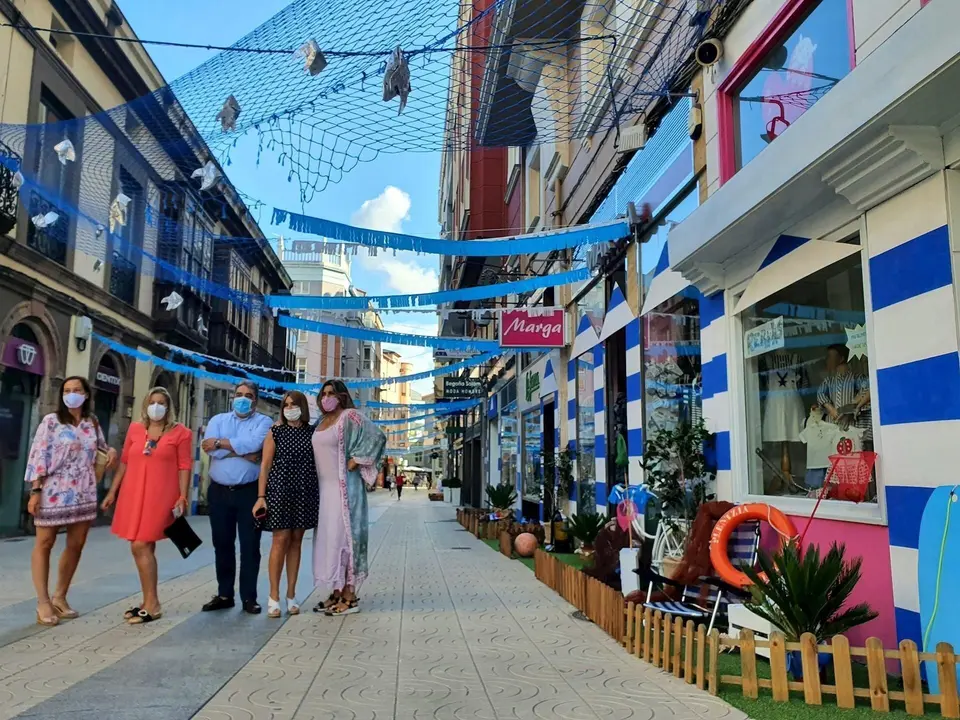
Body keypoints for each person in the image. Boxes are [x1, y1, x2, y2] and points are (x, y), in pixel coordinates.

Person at [24, 376, 118, 626]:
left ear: (86, 394)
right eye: (67, 390)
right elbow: (38, 455)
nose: (71, 394)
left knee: (76, 544)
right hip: (53, 488)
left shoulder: (92, 422)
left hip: (84, 490)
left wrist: (110, 452)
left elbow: (100, 448)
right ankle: (43, 602)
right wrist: (35, 490)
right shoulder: (51, 422)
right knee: (45, 542)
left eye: (77, 389)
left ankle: (60, 597)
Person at [101, 387, 191, 624]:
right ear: (145, 404)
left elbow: (184, 465)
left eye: (162, 402)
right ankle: (147, 600)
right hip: (133, 492)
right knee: (142, 547)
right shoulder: (135, 429)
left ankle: (153, 603)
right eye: (153, 402)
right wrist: (112, 492)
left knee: (140, 545)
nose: (157, 407)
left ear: (169, 407)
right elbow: (124, 462)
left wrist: (183, 495)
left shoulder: (181, 432)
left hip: (161, 495)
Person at [311, 380, 386, 616]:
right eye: (323, 393)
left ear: (342, 396)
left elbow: (377, 436)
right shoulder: (321, 422)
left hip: (345, 490)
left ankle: (350, 595)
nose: (327, 397)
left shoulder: (350, 416)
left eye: (332, 393)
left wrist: (358, 458)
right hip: (324, 491)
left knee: (346, 541)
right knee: (329, 541)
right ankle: (336, 591)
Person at [201, 382, 273, 614]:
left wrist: (223, 445)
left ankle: (249, 598)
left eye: (248, 396)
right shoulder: (218, 420)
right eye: (239, 394)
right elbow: (211, 449)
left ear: (256, 400)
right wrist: (242, 452)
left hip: (249, 493)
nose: (243, 399)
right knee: (222, 544)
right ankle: (224, 594)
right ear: (233, 397)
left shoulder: (264, 422)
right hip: (219, 492)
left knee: (250, 546)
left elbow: (255, 445)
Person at [252, 391, 318, 618]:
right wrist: (261, 497)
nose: (290, 408)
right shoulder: (275, 432)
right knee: (279, 540)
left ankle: (291, 594)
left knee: (296, 541)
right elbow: (265, 466)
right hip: (279, 490)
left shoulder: (312, 432)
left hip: (304, 491)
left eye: (294, 404)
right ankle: (273, 596)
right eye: (286, 405)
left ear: (302, 407)